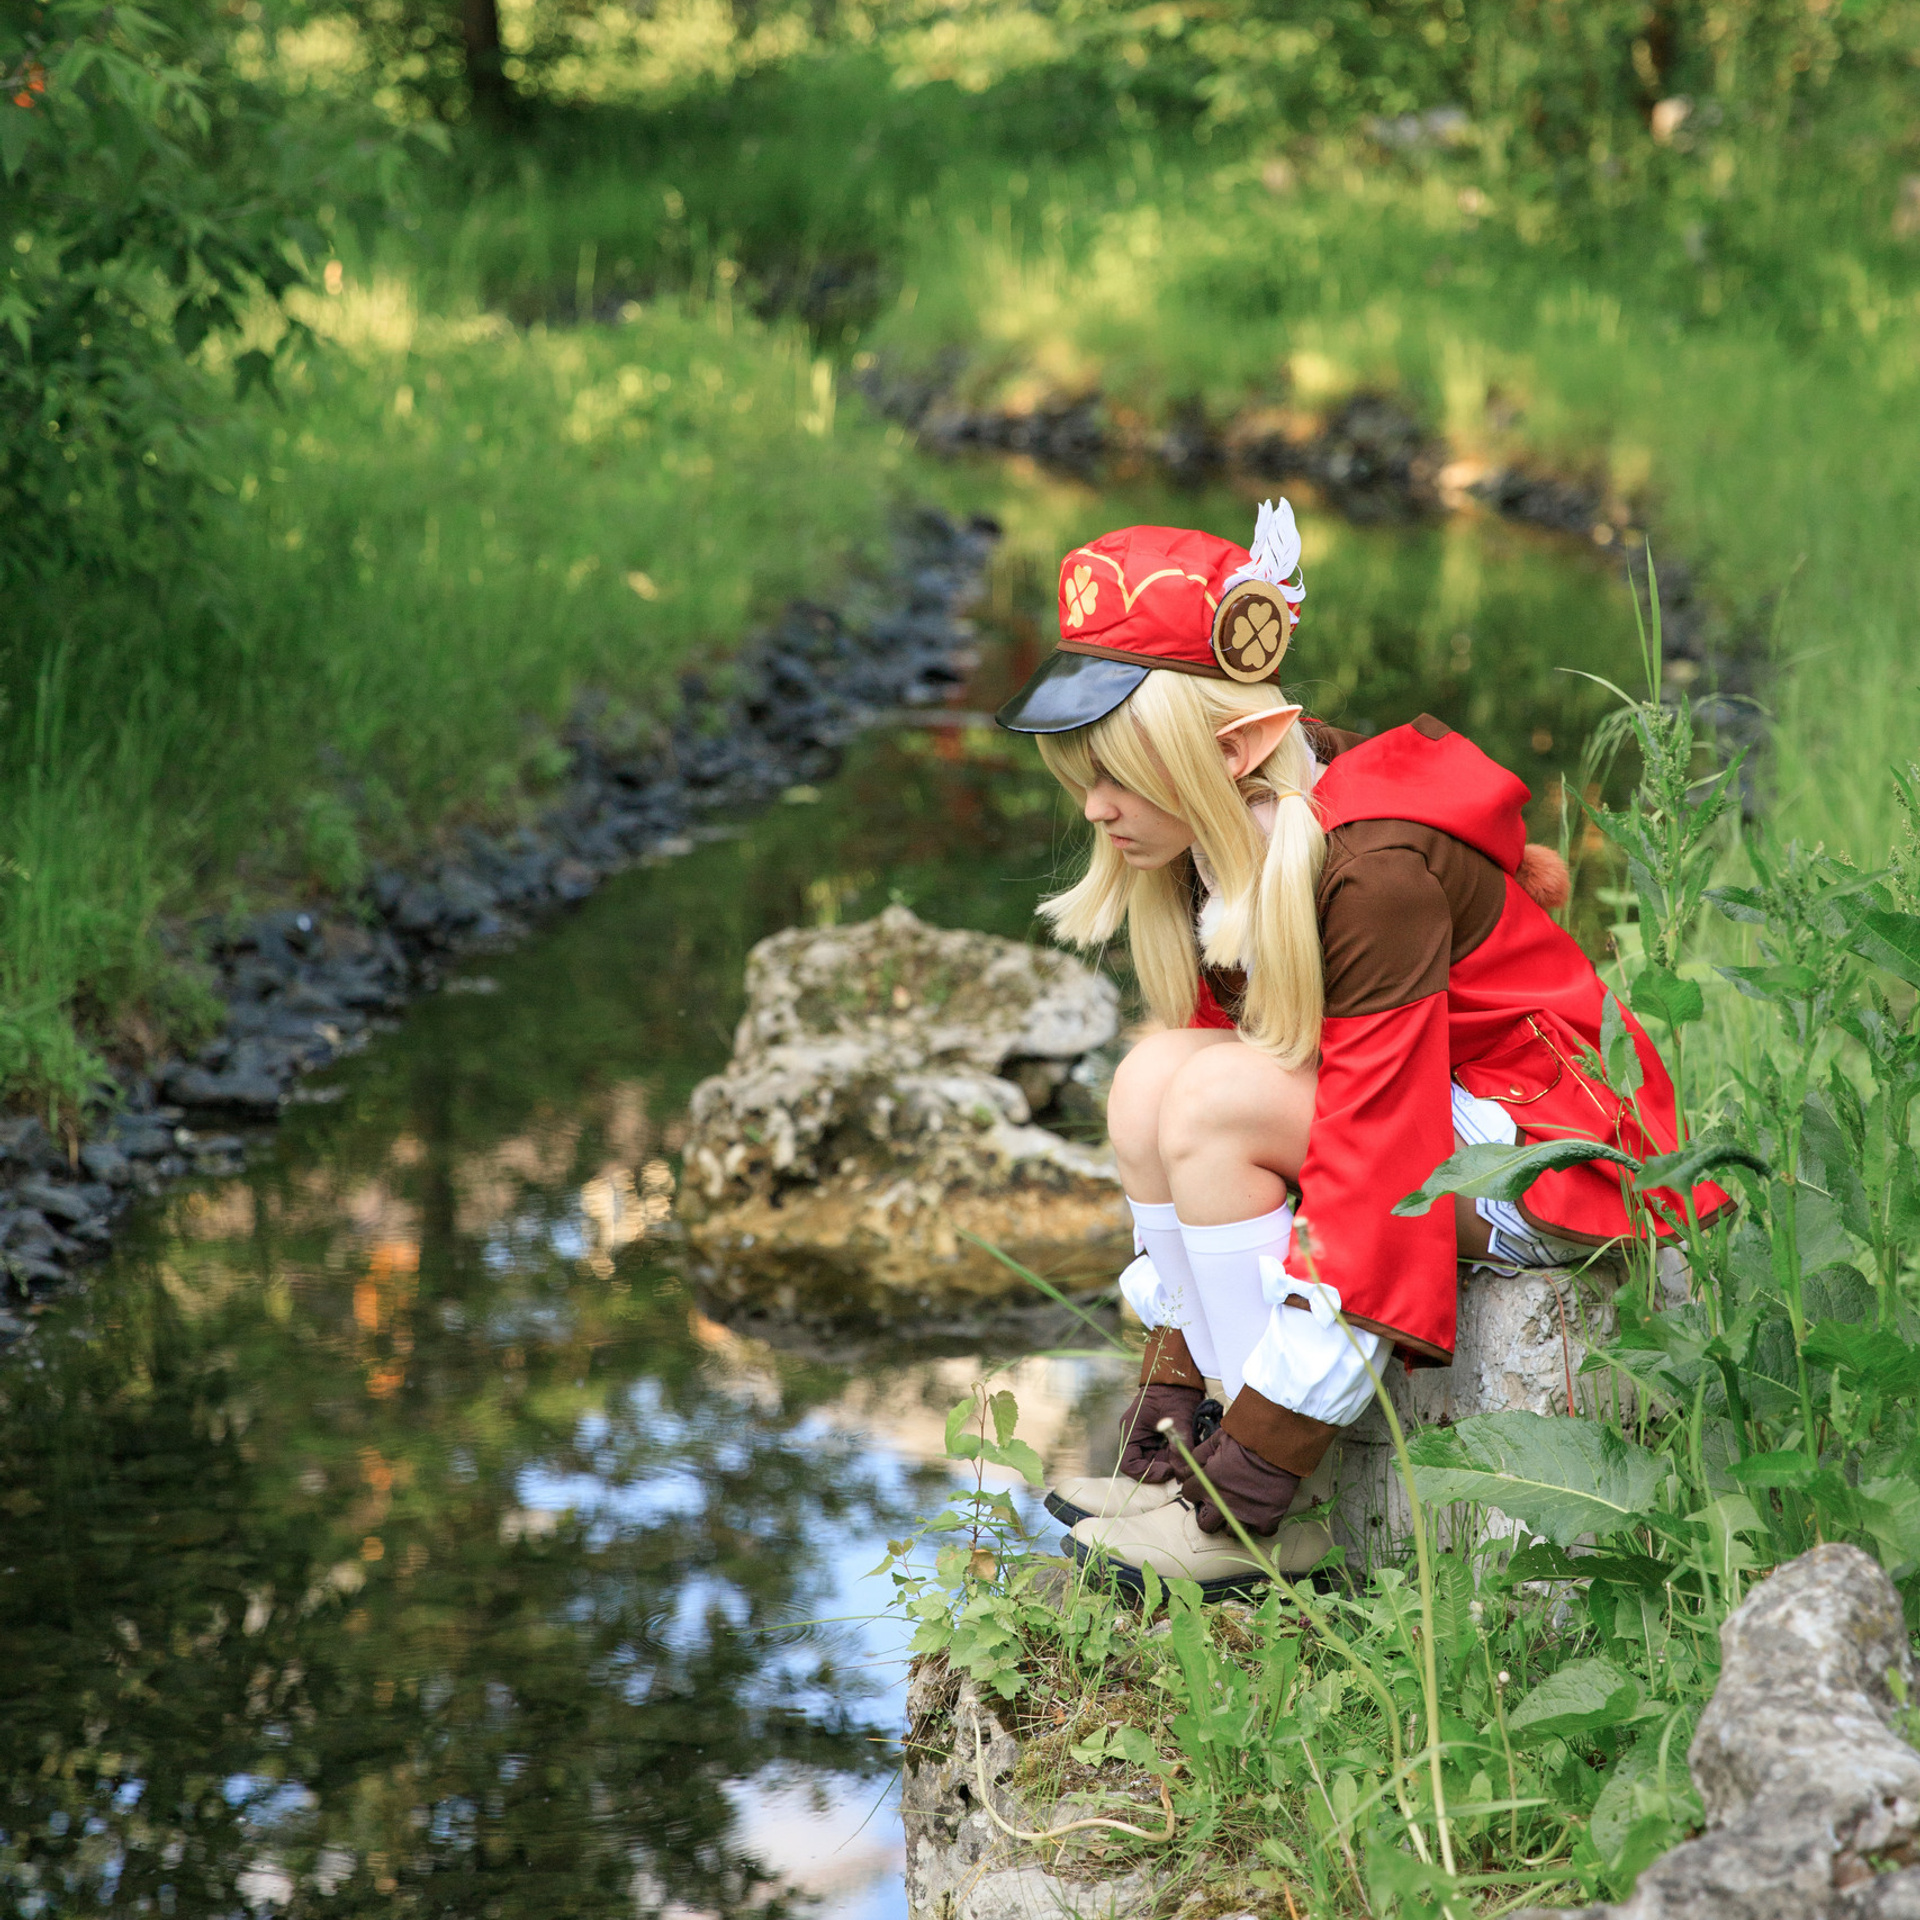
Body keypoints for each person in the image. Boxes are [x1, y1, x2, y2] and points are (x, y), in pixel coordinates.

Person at [994, 503, 1728, 1595]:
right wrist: (1164, 1397)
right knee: (1150, 1079)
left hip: (1549, 1151)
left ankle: (1254, 1510)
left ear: (1234, 747)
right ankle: (1188, 1457)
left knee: (1210, 1106)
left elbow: (1380, 1169)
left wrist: (1258, 1476)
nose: (1095, 809)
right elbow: (1228, 1061)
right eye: (1082, 773)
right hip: (1442, 1111)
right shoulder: (1228, 827)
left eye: (1123, 773)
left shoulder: (1370, 869)